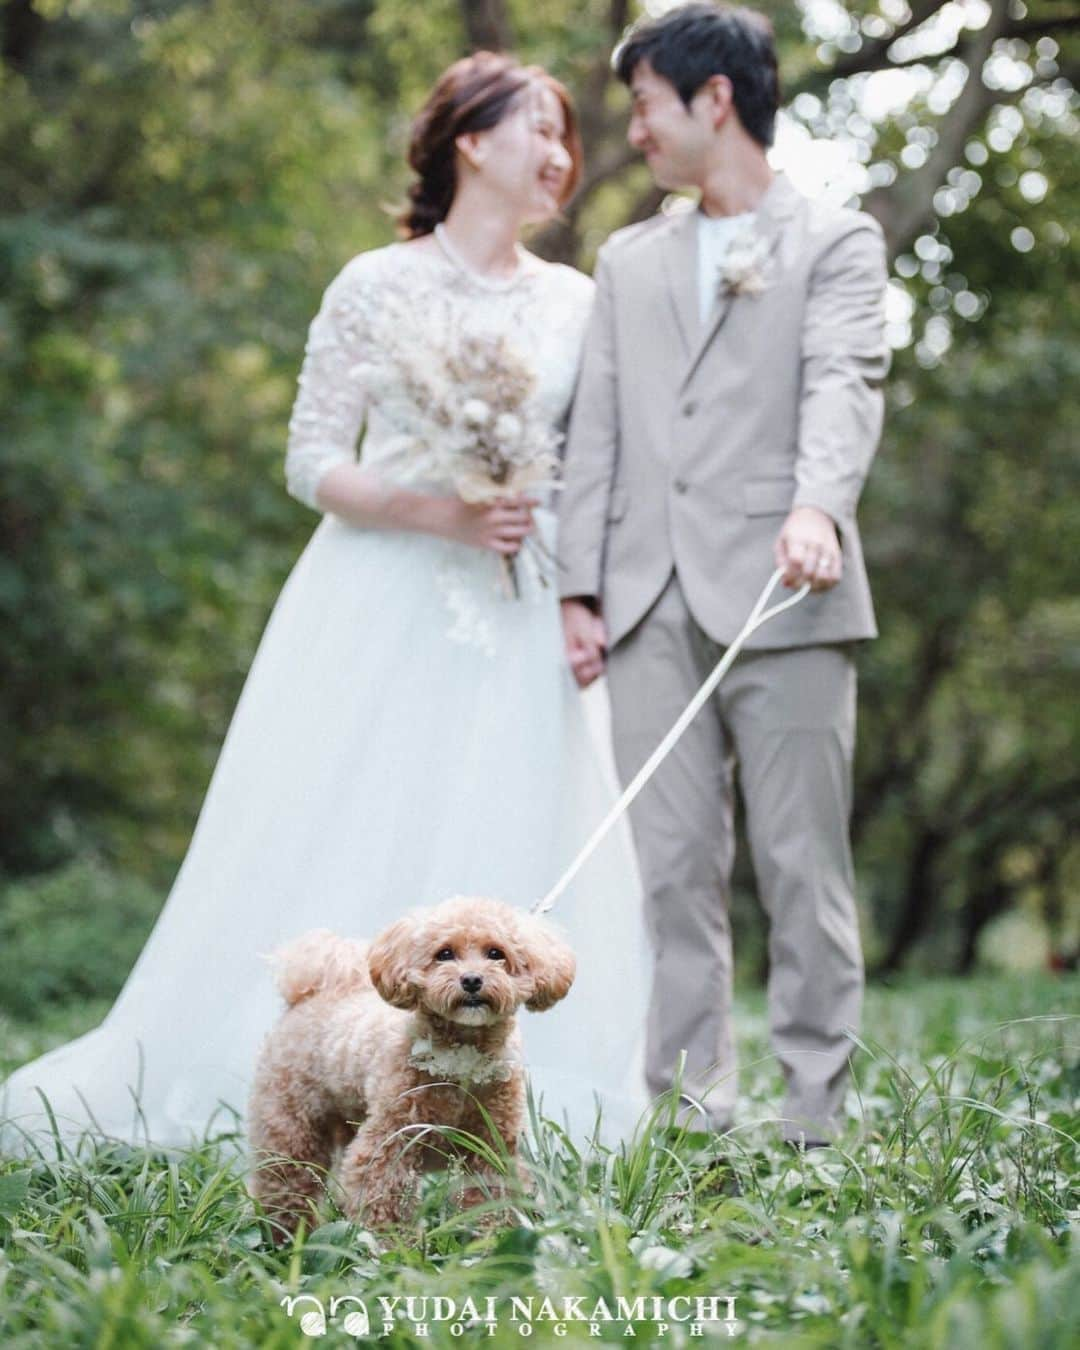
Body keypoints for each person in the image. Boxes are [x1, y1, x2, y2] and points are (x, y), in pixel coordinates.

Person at [2, 52, 648, 1155]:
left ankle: (508, 1094)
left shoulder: (580, 305)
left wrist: (578, 587)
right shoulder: (372, 284)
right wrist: (437, 510)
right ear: (469, 141)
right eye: (538, 128)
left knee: (516, 803)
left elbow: (598, 471)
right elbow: (310, 460)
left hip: (521, 603)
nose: (561, 155)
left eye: (567, 137)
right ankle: (312, 1075)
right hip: (380, 593)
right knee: (347, 808)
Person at [558, 3, 888, 1145]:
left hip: (788, 590)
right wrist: (578, 589)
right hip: (647, 606)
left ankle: (813, 1115)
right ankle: (693, 1117)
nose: (635, 130)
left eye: (646, 104)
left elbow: (846, 381)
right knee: (670, 879)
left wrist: (817, 507)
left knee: (805, 868)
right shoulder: (627, 257)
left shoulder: (836, 241)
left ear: (714, 100)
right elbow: (593, 432)